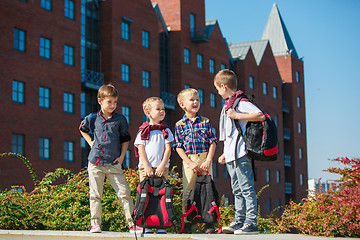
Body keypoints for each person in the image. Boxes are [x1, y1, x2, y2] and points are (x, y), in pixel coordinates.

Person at [79, 84, 143, 234]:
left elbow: (125, 139)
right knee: (95, 195)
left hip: (114, 163)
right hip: (95, 162)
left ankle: (132, 224)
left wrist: (121, 157)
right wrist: (90, 142)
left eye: (115, 102)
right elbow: (82, 129)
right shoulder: (92, 118)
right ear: (100, 101)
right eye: (109, 102)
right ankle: (95, 224)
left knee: (124, 193)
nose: (113, 105)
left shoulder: (120, 119)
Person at [213, 69, 265, 235]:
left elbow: (260, 115)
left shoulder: (240, 102)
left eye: (218, 89)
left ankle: (251, 222)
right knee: (236, 189)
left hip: (241, 153)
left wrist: (237, 115)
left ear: (224, 86)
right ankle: (239, 220)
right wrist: (224, 153)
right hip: (231, 154)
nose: (218, 92)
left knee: (246, 188)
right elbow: (229, 134)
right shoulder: (228, 104)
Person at [173, 88, 217, 234]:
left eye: (197, 99)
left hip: (205, 160)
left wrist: (209, 160)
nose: (195, 102)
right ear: (182, 104)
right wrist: (190, 163)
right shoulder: (179, 125)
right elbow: (178, 147)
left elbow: (213, 142)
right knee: (188, 192)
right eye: (191, 100)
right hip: (189, 161)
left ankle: (209, 223)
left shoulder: (205, 121)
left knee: (207, 191)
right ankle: (187, 223)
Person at [134, 97, 174, 234]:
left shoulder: (166, 131)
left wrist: (162, 166)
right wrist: (146, 166)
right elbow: (141, 149)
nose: (162, 111)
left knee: (161, 197)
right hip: (146, 169)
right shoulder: (143, 131)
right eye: (158, 109)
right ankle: (147, 224)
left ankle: (162, 224)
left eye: (163, 109)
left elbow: (168, 149)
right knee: (145, 196)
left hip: (162, 169)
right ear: (148, 112)